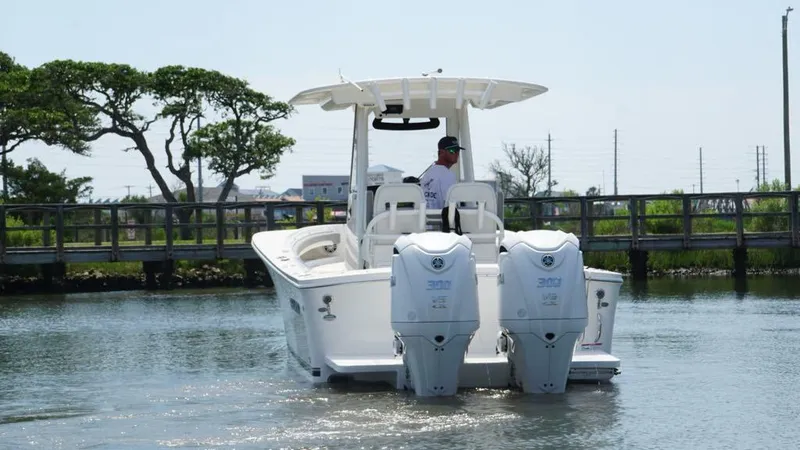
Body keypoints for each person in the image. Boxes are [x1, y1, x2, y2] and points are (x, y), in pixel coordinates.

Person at [420, 136, 463, 210]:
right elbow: (452, 207)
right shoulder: (449, 176)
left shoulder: (428, 173)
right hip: (440, 219)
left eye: (458, 150)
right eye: (452, 150)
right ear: (442, 152)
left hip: (425, 218)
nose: (456, 154)